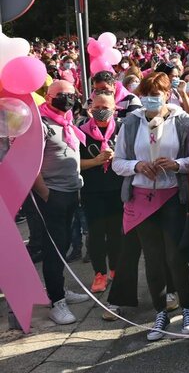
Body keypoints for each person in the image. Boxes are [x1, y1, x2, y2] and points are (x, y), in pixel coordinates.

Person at [112, 72, 189, 341]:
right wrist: (137, 166)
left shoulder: (183, 121)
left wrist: (176, 164)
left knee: (175, 257)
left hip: (172, 196)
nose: (151, 99)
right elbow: (118, 162)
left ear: (166, 94)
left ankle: (188, 310)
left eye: (157, 93)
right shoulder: (130, 122)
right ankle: (160, 313)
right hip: (140, 197)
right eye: (146, 94)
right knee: (152, 259)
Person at [34, 80, 91, 325]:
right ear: (48, 97)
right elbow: (31, 164)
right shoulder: (40, 124)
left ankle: (60, 289)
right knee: (53, 248)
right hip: (53, 194)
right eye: (61, 94)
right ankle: (56, 301)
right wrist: (45, 193)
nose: (67, 98)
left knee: (65, 244)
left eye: (71, 94)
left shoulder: (67, 122)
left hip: (71, 192)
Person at [79, 92, 123, 296]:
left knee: (116, 233)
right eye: (96, 107)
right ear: (90, 108)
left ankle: (115, 267)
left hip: (117, 190)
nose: (101, 111)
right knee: (96, 234)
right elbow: (75, 164)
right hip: (92, 191)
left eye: (105, 107)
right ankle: (99, 273)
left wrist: (118, 159)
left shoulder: (122, 129)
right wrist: (96, 161)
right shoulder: (81, 132)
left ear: (115, 109)